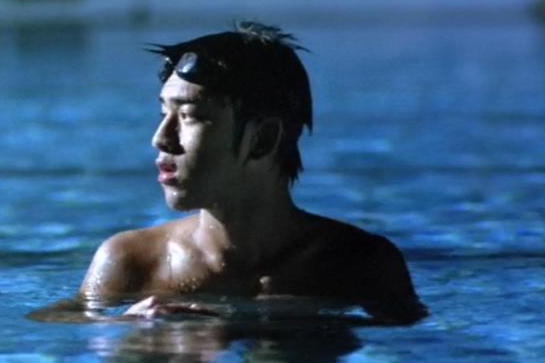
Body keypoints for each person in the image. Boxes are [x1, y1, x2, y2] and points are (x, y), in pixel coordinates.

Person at [78, 21, 427, 324]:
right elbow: (66, 322)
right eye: (163, 114)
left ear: (262, 139)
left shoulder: (357, 263)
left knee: (283, 359)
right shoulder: (133, 260)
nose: (160, 138)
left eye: (189, 116)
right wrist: (124, 325)